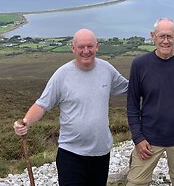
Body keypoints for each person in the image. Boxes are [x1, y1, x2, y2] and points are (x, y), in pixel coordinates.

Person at [12, 28, 129, 186]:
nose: (86, 51)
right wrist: (26, 121)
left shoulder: (107, 69)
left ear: (97, 46)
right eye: (81, 47)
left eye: (90, 46)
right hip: (71, 154)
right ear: (73, 48)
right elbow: (42, 104)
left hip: (101, 152)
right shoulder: (62, 75)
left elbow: (130, 88)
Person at [126, 17, 174, 186]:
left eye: (170, 36)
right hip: (148, 140)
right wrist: (138, 138)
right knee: (135, 182)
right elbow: (132, 105)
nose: (165, 41)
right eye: (161, 36)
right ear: (153, 36)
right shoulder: (139, 64)